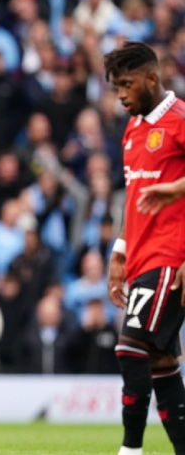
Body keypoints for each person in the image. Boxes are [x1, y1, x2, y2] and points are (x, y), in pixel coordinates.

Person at [103, 41, 185, 455]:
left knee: (128, 346)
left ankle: (130, 451)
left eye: (126, 84)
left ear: (151, 78)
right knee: (161, 364)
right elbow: (134, 193)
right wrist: (119, 252)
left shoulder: (181, 120)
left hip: (173, 256)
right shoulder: (133, 128)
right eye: (115, 86)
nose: (120, 94)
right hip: (141, 257)